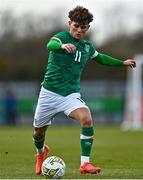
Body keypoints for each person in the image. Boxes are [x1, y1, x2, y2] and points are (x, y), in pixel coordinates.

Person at [33, 5, 136, 175]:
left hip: (70, 95)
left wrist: (121, 63)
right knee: (38, 133)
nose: (79, 30)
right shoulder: (61, 37)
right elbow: (50, 45)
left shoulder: (87, 47)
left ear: (88, 28)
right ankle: (40, 154)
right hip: (49, 94)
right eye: (76, 26)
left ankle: (85, 164)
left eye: (83, 27)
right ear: (69, 23)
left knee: (86, 119)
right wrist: (62, 46)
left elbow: (101, 57)